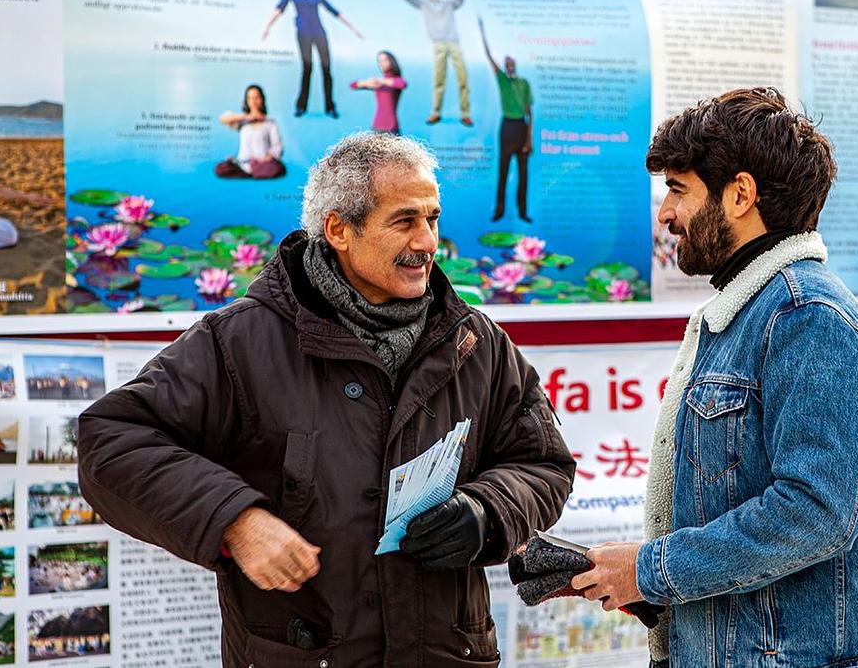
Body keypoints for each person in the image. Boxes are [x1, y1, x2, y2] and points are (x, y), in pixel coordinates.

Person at [78, 132, 575, 667]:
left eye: (432, 218)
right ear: (339, 229)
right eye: (404, 221)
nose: (429, 241)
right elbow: (111, 442)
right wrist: (235, 521)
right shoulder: (239, 341)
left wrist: (487, 511)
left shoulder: (476, 341)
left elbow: (542, 462)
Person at [569, 88, 858, 668]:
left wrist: (651, 570)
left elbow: (815, 513)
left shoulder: (806, 318)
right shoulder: (749, 313)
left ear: (740, 194)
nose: (666, 214)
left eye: (677, 189)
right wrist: (652, 588)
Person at [262, 0, 363, 118]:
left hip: (320, 34)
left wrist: (353, 28)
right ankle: (301, 106)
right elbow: (279, 9)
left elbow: (333, 10)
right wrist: (268, 26)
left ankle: (330, 107)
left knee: (326, 70)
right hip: (303, 34)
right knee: (307, 68)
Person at [479, 18, 534, 223]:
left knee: (523, 175)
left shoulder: (524, 83)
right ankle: (499, 210)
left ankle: (522, 211)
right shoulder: (502, 80)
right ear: (505, 66)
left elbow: (530, 112)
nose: (509, 66)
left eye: (512, 64)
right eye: (507, 64)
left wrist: (529, 140)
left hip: (522, 127)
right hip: (507, 127)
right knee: (502, 171)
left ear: (515, 65)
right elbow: (489, 57)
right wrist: (483, 33)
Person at [403, 0, 473, 126]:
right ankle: (436, 113)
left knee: (463, 78)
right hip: (438, 44)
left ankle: (465, 114)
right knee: (439, 79)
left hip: (453, 42)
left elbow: (460, 1)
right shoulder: (424, 4)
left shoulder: (447, 4)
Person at [215, 85, 286, 180]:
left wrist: (269, 157)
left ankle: (256, 171)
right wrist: (247, 117)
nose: (253, 101)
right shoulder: (243, 122)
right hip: (243, 163)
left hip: (263, 163)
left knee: (277, 168)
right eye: (250, 98)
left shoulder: (270, 123)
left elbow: (278, 147)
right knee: (220, 169)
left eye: (256, 98)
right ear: (246, 101)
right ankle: (253, 172)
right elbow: (222, 119)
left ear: (262, 99)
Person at [349, 51, 407, 135]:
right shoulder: (377, 83)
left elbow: (402, 84)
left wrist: (381, 81)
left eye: (385, 60)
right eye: (379, 61)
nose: (382, 63)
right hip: (376, 128)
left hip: (392, 128)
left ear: (392, 61)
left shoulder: (394, 80)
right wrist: (367, 83)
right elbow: (352, 85)